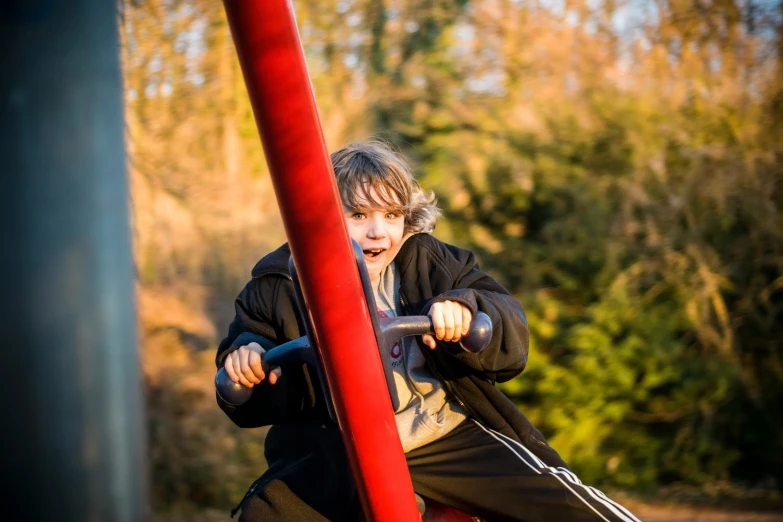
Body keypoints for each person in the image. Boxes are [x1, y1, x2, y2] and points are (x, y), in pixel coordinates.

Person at [216, 141, 641, 522]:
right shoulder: (278, 286)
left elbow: (506, 323)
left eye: (391, 215)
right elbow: (248, 373)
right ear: (323, 218)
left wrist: (467, 310)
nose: (378, 230)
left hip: (439, 429)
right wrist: (248, 358)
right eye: (358, 215)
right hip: (336, 445)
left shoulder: (431, 263)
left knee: (563, 504)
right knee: (268, 514)